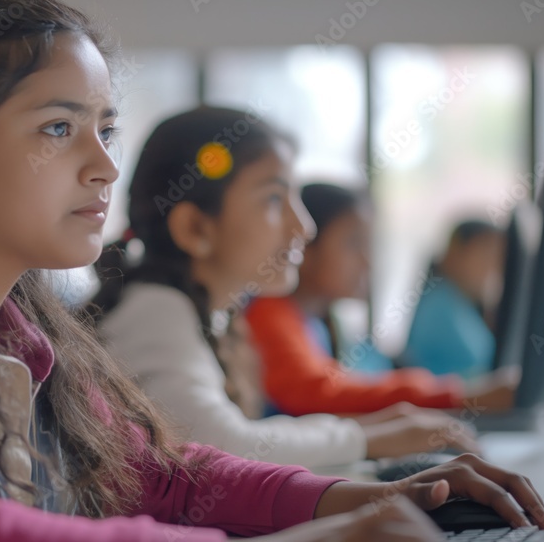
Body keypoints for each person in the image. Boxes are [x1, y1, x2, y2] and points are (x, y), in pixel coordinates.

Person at [0, 0, 544, 542]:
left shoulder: (13, 327)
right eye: (58, 129)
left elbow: (161, 474)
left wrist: (344, 503)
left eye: (106, 130)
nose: (101, 165)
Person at [94, 107, 489, 472]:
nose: (304, 227)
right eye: (272, 199)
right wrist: (368, 437)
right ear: (195, 228)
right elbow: (220, 447)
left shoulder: (207, 313)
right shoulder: (154, 311)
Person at [246, 184, 516, 417]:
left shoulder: (318, 323)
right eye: (354, 243)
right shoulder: (270, 312)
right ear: (304, 247)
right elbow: (317, 393)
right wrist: (461, 396)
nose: (367, 262)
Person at [403, 220, 507, 378]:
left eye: (498, 259)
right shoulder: (439, 309)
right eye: (485, 255)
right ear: (454, 253)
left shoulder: (461, 305)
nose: (491, 267)